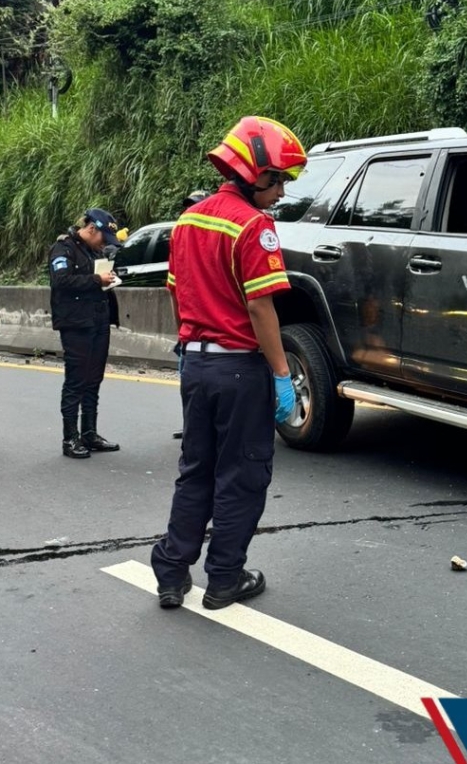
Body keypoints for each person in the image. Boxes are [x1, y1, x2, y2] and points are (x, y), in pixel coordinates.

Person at [151, 116, 306, 610]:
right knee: (241, 474)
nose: (281, 191)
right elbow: (262, 306)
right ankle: (224, 578)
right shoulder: (253, 226)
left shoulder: (189, 220)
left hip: (196, 366)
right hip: (240, 370)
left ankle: (172, 573)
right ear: (255, 173)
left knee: (196, 469)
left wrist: (187, 346)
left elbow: (178, 293)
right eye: (279, 178)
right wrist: (283, 375)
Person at [49, 208, 123, 459]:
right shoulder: (64, 249)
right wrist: (95, 279)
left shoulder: (95, 251)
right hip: (76, 324)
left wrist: (110, 278)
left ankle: (89, 433)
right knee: (76, 382)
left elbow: (99, 280)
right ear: (91, 228)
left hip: (99, 321)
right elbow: (61, 282)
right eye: (103, 237)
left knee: (93, 381)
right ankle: (70, 438)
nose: (104, 243)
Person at [172, 190, 210, 440]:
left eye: (194, 206)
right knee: (188, 384)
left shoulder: (213, 241)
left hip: (213, 337)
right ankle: (191, 427)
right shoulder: (181, 237)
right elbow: (174, 290)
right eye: (187, 207)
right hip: (190, 333)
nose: (189, 211)